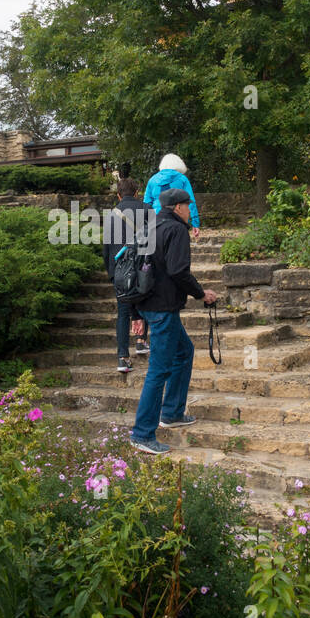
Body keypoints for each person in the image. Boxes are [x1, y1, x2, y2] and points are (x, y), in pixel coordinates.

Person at [129, 188, 218, 454]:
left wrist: (135, 313)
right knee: (158, 371)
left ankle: (172, 413)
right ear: (178, 208)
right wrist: (202, 294)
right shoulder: (177, 230)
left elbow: (136, 271)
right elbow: (179, 271)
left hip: (148, 305)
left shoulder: (148, 227)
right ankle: (143, 434)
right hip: (163, 309)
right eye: (188, 206)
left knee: (184, 352)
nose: (190, 211)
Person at [103, 178, 153, 373]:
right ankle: (141, 341)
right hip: (142, 268)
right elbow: (154, 240)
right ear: (137, 192)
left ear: (118, 194)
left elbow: (106, 248)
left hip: (120, 270)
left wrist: (112, 274)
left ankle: (122, 358)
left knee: (123, 313)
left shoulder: (111, 215)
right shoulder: (147, 210)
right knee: (147, 304)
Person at [143, 153, 201, 239]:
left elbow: (146, 203)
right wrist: (195, 223)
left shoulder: (153, 180)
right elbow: (191, 201)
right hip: (177, 216)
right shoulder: (182, 179)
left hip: (157, 218)